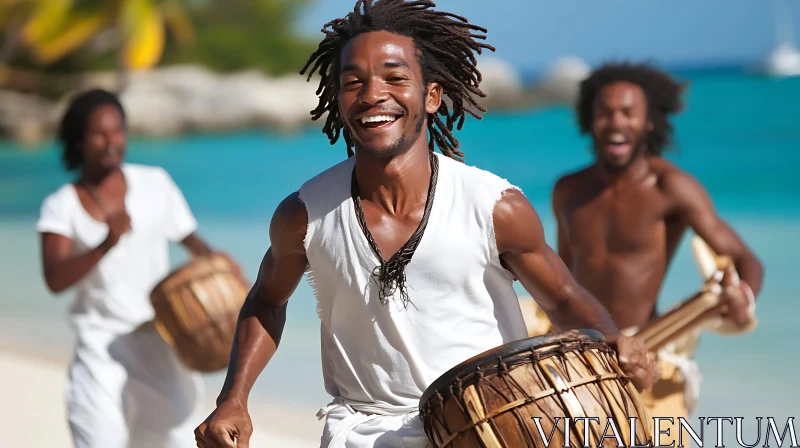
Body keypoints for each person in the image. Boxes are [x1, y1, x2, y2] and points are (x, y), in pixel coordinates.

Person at [195, 2, 657, 447]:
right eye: (353, 82)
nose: (373, 94)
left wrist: (613, 339)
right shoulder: (304, 214)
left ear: (431, 95)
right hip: (360, 430)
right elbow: (267, 299)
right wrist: (232, 399)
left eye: (395, 78)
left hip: (488, 423)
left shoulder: (493, 206)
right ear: (338, 99)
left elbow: (563, 297)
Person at [551, 62, 764, 437]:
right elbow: (562, 278)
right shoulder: (568, 191)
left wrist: (742, 297)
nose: (616, 122)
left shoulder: (671, 187)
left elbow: (745, 258)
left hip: (649, 345)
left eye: (628, 113)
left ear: (648, 122)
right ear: (591, 120)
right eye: (605, 112)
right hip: (580, 354)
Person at [36, 88, 242, 448]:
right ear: (79, 141)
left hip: (161, 339)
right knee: (99, 440)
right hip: (100, 348)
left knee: (176, 440)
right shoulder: (61, 205)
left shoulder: (154, 183)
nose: (111, 142)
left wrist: (224, 270)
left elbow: (193, 244)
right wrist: (105, 244)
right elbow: (55, 278)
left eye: (118, 131)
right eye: (99, 134)